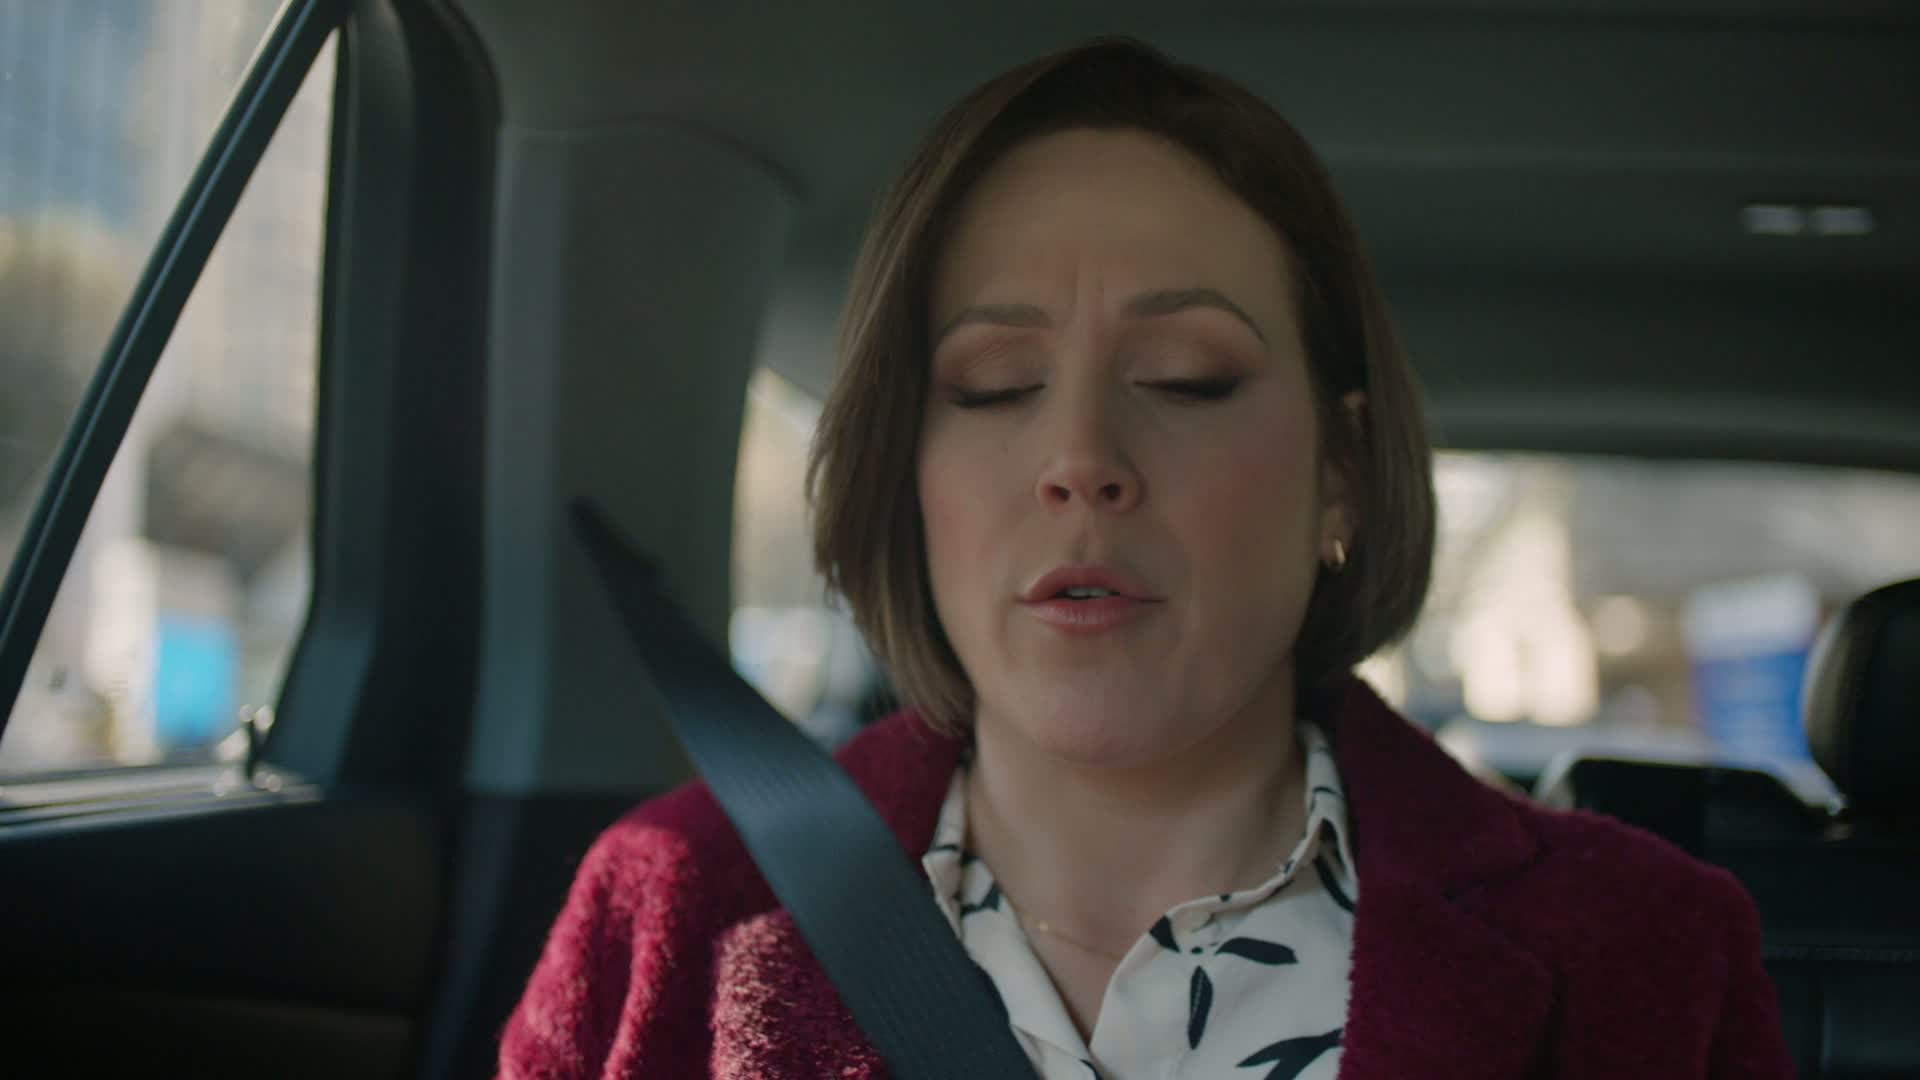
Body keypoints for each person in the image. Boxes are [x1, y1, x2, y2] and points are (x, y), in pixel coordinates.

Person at [499, 38, 1792, 1080]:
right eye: (994, 385)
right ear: (905, 474)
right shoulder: (669, 904)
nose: (1081, 458)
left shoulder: (1649, 950)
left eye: (1186, 377)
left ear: (1340, 471)